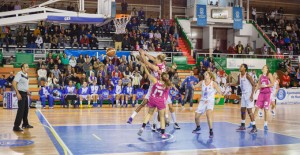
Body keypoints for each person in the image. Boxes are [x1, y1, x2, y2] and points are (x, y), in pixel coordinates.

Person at [137, 63, 172, 139]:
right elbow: (166, 96)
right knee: (162, 117)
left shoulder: (155, 81)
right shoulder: (167, 85)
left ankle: (142, 128)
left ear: (161, 77)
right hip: (160, 101)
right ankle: (163, 134)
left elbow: (148, 74)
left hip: (153, 99)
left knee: (149, 114)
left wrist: (144, 66)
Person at [192, 71, 222, 138]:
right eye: (204, 74)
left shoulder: (213, 83)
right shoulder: (201, 82)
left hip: (210, 101)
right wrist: (192, 85)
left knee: (208, 114)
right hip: (202, 101)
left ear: (210, 76)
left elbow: (219, 92)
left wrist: (218, 99)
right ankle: (198, 127)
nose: (204, 75)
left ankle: (211, 131)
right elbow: (195, 86)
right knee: (196, 117)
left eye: (206, 74)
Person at [228, 64, 256, 133]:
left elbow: (254, 85)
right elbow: (237, 83)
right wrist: (230, 84)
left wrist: (252, 95)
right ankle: (243, 125)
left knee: (249, 111)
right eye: (240, 66)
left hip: (249, 94)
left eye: (241, 66)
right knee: (242, 110)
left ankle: (254, 127)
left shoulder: (248, 76)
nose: (240, 67)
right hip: (243, 95)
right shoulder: (239, 75)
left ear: (245, 68)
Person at [253, 65, 274, 131]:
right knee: (256, 108)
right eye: (263, 67)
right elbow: (259, 84)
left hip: (267, 94)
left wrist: (266, 85)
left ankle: (265, 124)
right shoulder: (260, 76)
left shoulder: (269, 75)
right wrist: (255, 90)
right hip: (261, 94)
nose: (263, 68)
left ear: (267, 69)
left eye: (264, 67)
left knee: (266, 110)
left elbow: (272, 84)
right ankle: (252, 123)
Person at [13, 63, 32, 132]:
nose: (28, 68)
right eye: (26, 67)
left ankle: (25, 124)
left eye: (28, 67)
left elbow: (24, 85)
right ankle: (16, 126)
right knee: (21, 110)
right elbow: (14, 83)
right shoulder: (19, 74)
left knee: (26, 110)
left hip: (25, 93)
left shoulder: (26, 75)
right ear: (22, 68)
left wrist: (27, 91)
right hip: (20, 93)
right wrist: (17, 93)